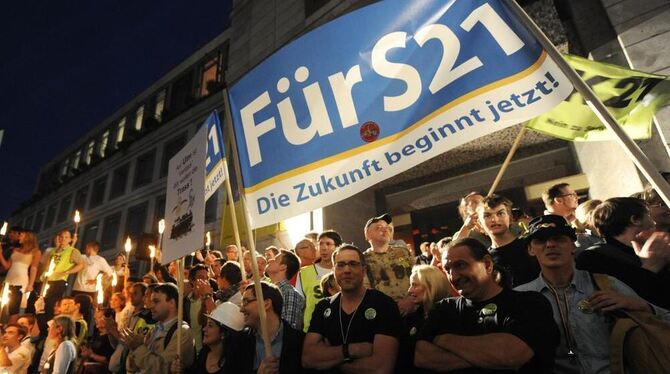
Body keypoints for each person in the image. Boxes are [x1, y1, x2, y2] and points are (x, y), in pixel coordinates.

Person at [516, 214, 670, 373]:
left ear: (574, 245)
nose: (550, 245)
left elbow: (665, 319)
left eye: (559, 238)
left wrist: (639, 305)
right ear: (530, 249)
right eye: (540, 241)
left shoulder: (605, 284)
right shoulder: (521, 297)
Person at [414, 238, 559, 373]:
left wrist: (442, 339)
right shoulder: (444, 309)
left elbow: (510, 355)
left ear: (488, 264)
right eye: (448, 269)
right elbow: (422, 356)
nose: (454, 276)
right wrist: (487, 358)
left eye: (460, 265)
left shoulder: (529, 303)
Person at [303, 244, 401, 373]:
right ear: (334, 271)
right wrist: (354, 350)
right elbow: (307, 359)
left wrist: (329, 359)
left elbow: (380, 368)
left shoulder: (384, 305)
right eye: (341, 265)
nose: (347, 270)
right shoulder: (323, 307)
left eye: (353, 264)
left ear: (364, 270)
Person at [577, 197, 670, 308]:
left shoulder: (654, 249)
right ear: (635, 220)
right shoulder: (594, 258)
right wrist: (650, 267)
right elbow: (621, 300)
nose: (654, 223)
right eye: (648, 216)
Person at [121, 283, 195, 373]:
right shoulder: (155, 329)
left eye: (156, 301)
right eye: (151, 301)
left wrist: (138, 348)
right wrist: (133, 348)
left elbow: (162, 368)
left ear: (172, 303)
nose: (151, 306)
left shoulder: (182, 333)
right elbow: (133, 368)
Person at [236, 281, 305, 373]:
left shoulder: (300, 342)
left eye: (246, 302)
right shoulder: (238, 342)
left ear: (266, 304)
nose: (241, 309)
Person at [398, 265, 454, 372]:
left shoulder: (451, 316)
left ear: (432, 286)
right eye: (410, 285)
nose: (409, 291)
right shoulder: (411, 318)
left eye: (415, 286)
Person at [478, 194, 540, 287]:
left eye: (500, 213)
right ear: (479, 224)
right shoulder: (485, 260)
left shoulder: (530, 246)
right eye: (487, 215)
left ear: (510, 218)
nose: (494, 219)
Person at [171, 302, 245, 373]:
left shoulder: (236, 365)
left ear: (224, 334)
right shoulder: (203, 355)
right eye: (206, 325)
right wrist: (180, 370)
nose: (204, 329)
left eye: (210, 326)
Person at [362, 214, 414, 315]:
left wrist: (410, 300)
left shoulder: (403, 252)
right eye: (379, 228)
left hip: (411, 308)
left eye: (387, 228)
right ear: (367, 235)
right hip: (383, 312)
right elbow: (365, 289)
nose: (385, 230)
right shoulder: (362, 259)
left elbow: (417, 277)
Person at [296, 230, 343, 331]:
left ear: (338, 247)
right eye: (320, 244)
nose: (323, 248)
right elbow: (299, 303)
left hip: (340, 326)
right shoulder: (303, 273)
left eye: (328, 244)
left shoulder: (345, 271)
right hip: (312, 328)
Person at [41, 230, 85, 323]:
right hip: (47, 280)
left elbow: (81, 264)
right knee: (42, 304)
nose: (63, 239)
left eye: (66, 237)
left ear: (70, 239)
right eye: (61, 236)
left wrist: (67, 272)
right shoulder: (53, 250)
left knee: (51, 305)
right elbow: (47, 265)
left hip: (59, 281)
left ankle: (49, 326)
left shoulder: (73, 251)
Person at [0, 229, 41, 322]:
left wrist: (30, 284)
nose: (19, 237)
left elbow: (34, 268)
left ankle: (10, 328)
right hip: (8, 280)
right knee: (2, 303)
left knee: (13, 309)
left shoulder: (35, 252)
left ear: (28, 237)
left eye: (21, 235)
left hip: (20, 282)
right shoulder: (15, 249)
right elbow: (7, 266)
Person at [265, 249, 305, 330]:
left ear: (283, 267)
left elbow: (289, 329)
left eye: (275, 259)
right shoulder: (268, 291)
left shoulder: (290, 293)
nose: (269, 260)